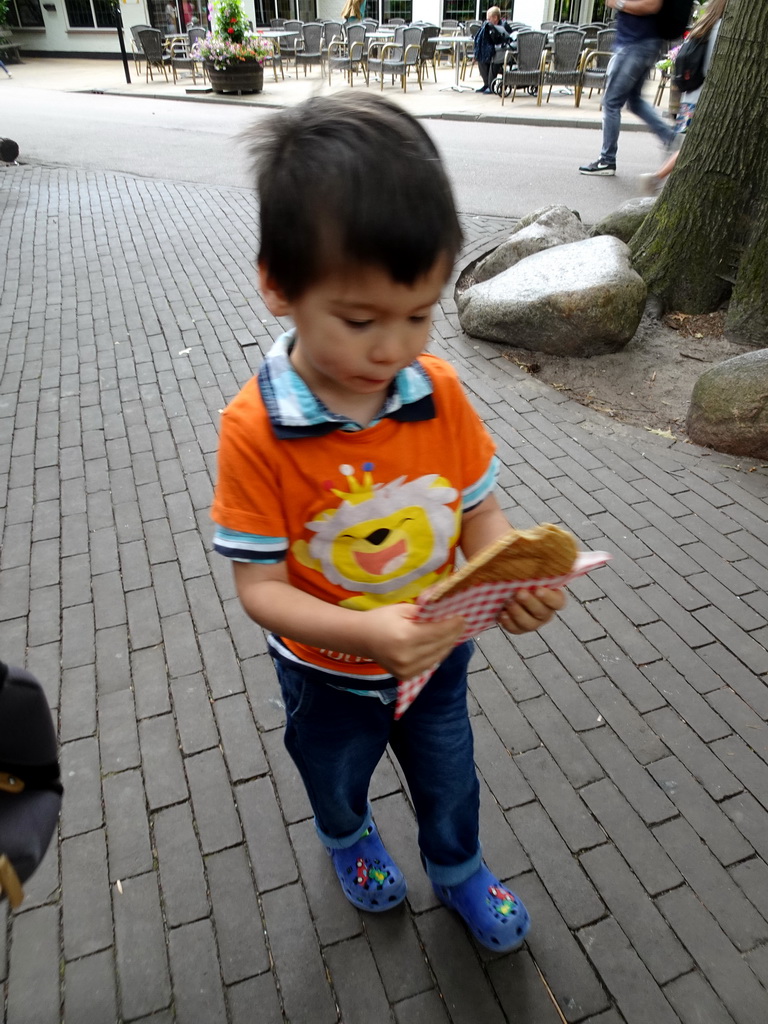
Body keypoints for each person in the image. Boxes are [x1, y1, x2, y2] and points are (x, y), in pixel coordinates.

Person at [211, 93, 566, 952]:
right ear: (277, 284)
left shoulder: (437, 390)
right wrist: (362, 632)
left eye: (420, 314)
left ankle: (457, 867)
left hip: (439, 653)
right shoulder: (255, 430)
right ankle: (348, 837)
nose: (393, 349)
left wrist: (514, 574)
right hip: (326, 669)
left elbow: (479, 512)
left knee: (451, 774)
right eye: (362, 320)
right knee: (333, 772)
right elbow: (259, 587)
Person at [579, 0, 676, 176]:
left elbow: (652, 5)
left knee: (611, 102)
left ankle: (607, 160)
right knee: (634, 101)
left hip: (636, 45)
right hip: (639, 44)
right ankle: (670, 138)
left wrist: (620, 4)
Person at [638, 0, 726, 193]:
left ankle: (662, 179)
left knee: (690, 143)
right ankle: (658, 177)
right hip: (703, 98)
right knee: (693, 146)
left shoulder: (702, 26)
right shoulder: (721, 29)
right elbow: (710, 67)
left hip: (689, 97)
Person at [473, 6, 513, 93]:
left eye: (489, 18)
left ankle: (491, 86)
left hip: (502, 52)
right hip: (492, 50)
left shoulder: (504, 25)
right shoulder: (487, 26)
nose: (487, 21)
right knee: (481, 58)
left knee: (495, 59)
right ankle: (486, 84)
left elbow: (510, 39)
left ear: (495, 17)